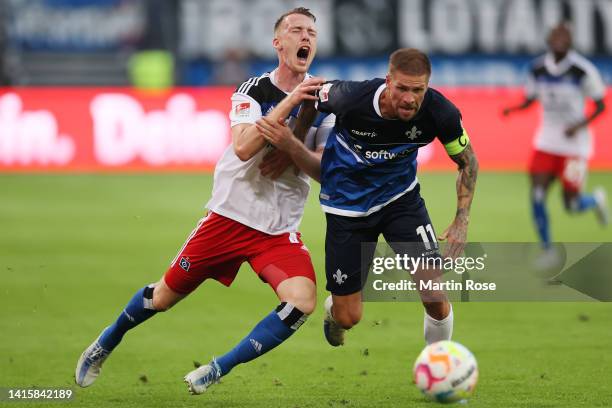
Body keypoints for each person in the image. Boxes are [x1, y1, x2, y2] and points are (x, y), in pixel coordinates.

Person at [75, 7, 332, 394]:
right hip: (230, 217)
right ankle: (105, 342)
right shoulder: (253, 90)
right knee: (162, 297)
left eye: (311, 31)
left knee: (302, 302)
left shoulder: (325, 101)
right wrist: (292, 101)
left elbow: (324, 171)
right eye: (296, 30)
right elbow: (244, 148)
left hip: (278, 230)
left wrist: (294, 144)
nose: (305, 37)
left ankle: (217, 368)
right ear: (278, 43)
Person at [257, 48, 479, 347]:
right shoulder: (350, 97)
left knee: (434, 293)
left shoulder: (441, 112)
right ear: (388, 81)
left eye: (418, 90)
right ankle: (335, 312)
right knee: (348, 317)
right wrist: (293, 145)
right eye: (401, 88)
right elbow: (309, 94)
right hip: (346, 208)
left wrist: (462, 219)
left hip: (400, 201)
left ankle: (439, 364)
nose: (409, 98)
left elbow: (468, 162)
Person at [503, 23, 608, 264]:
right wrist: (515, 109)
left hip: (575, 147)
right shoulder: (538, 68)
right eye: (555, 35)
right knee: (537, 194)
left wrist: (578, 125)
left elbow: (601, 105)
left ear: (571, 41)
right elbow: (530, 98)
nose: (559, 39)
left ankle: (595, 201)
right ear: (548, 39)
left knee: (571, 204)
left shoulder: (582, 70)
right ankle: (547, 249)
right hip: (546, 142)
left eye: (564, 36)